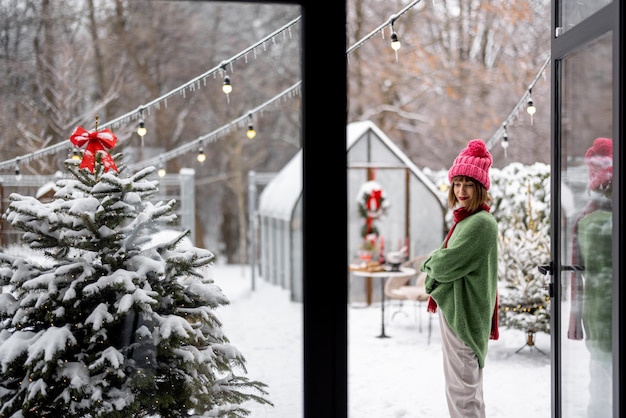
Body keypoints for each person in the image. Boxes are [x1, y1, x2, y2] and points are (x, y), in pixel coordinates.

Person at [420, 139, 499, 418]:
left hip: (464, 316)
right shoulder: (467, 220)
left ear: (480, 187)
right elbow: (448, 260)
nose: (461, 190)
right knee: (466, 391)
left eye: (468, 183)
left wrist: (428, 263)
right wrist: (437, 262)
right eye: (456, 183)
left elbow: (444, 265)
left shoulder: (480, 223)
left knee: (463, 393)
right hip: (459, 313)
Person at [568, 137, 613, 417]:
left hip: (596, 318)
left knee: (599, 387)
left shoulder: (584, 222)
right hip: (604, 315)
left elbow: (576, 276)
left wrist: (576, 323)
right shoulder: (593, 223)